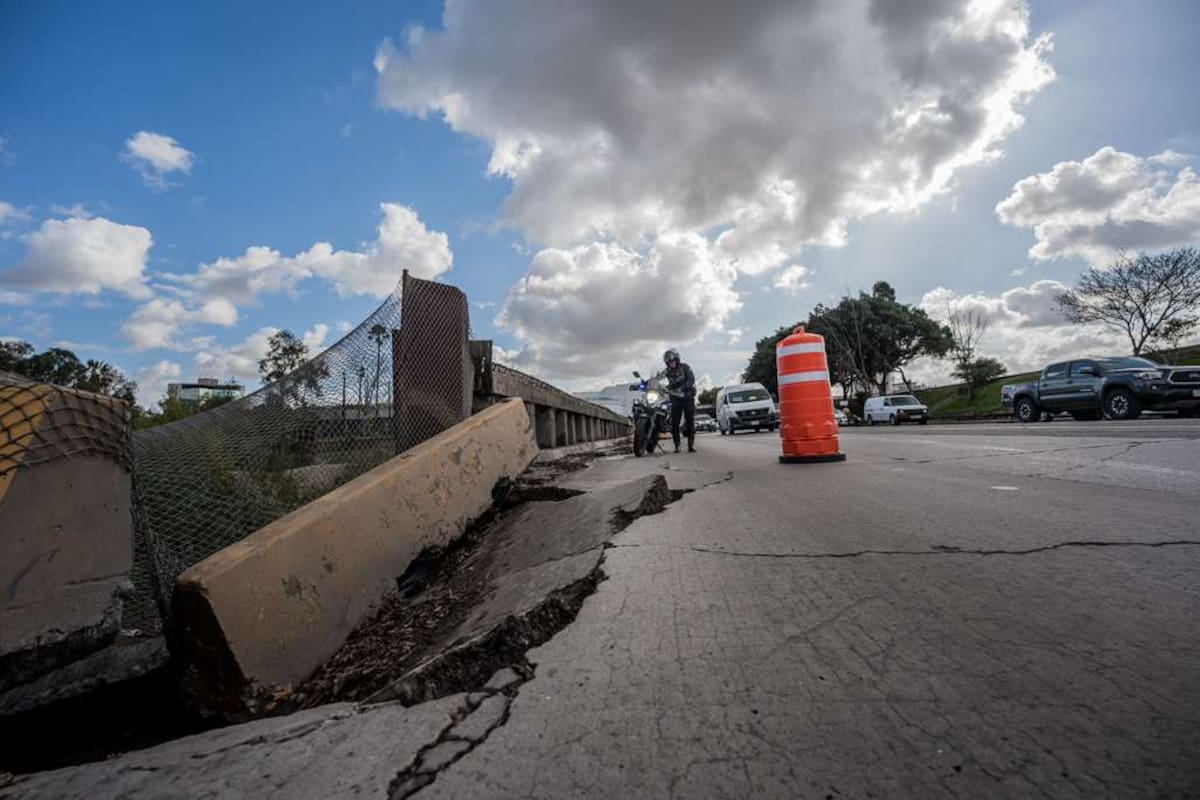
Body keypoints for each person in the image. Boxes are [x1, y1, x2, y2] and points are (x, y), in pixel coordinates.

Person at [663, 348, 696, 453]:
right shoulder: (667, 371)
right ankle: (677, 445)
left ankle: (691, 445)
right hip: (675, 399)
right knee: (674, 423)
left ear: (677, 359)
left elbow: (691, 379)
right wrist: (647, 383)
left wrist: (682, 388)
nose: (670, 364)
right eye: (668, 362)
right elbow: (657, 377)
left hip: (687, 397)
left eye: (672, 361)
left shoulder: (685, 367)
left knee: (690, 421)